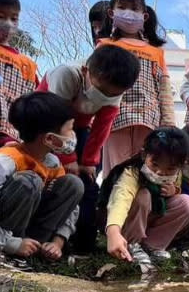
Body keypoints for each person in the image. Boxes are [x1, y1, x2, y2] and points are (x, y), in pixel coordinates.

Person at [37, 44, 140, 252]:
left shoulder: (115, 88)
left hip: (81, 128)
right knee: (56, 175)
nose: (106, 97)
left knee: (88, 183)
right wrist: (69, 159)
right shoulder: (66, 74)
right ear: (86, 71)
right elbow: (57, 119)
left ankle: (82, 242)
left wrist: (89, 161)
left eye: (113, 94)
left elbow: (102, 126)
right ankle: (40, 235)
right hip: (46, 124)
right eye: (102, 91)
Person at [96, 0, 175, 174]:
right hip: (114, 120)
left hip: (149, 121)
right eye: (122, 8)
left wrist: (169, 123)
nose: (128, 13)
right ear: (111, 13)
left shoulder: (156, 52)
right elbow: (95, 84)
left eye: (134, 9)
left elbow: (164, 90)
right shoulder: (105, 45)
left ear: (144, 16)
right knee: (115, 174)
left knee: (146, 174)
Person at [0, 92, 83, 260]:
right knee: (29, 181)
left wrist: (58, 241)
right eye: (70, 129)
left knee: (74, 184)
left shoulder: (52, 162)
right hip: (6, 236)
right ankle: (8, 249)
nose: (73, 136)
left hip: (31, 235)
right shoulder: (6, 161)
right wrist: (11, 243)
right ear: (50, 139)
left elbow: (71, 206)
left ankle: (37, 247)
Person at [101, 127, 189, 265]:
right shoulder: (132, 172)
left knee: (188, 203)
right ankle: (131, 245)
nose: (160, 172)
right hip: (125, 222)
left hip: (150, 217)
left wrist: (174, 191)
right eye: (155, 165)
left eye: (170, 169)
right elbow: (120, 201)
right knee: (143, 195)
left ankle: (152, 247)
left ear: (180, 166)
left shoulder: (176, 175)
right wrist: (113, 231)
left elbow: (179, 195)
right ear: (144, 155)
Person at [0, 0, 38, 147]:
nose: (8, 24)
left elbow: (37, 99)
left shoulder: (27, 64)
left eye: (14, 18)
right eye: (0, 17)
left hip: (17, 139)